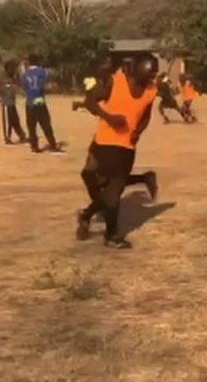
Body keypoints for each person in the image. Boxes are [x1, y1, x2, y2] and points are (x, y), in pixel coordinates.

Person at [76, 54, 160, 249]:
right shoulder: (115, 81)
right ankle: (104, 228)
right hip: (103, 143)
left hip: (126, 148)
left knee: (113, 190)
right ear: (137, 68)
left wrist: (138, 132)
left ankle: (99, 226)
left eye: (154, 74)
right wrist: (109, 117)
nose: (151, 77)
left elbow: (145, 116)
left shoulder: (150, 91)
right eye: (149, 73)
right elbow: (89, 101)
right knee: (98, 181)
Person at [21, 54, 63, 154]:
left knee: (31, 126)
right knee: (46, 124)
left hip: (29, 101)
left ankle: (34, 147)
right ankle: (52, 144)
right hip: (39, 100)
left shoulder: (24, 74)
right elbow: (47, 78)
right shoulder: (41, 71)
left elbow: (24, 88)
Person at [0, 77, 27, 144]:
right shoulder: (12, 88)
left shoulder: (4, 89)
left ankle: (17, 135)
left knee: (12, 122)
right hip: (11, 107)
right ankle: (10, 137)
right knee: (13, 122)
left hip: (7, 107)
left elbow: (2, 98)